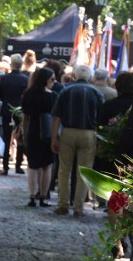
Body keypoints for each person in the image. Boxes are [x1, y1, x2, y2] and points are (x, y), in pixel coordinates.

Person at [50, 64, 104, 216]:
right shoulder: (97, 93)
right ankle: (79, 207)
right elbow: (101, 118)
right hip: (89, 134)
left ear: (74, 75)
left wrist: (54, 137)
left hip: (68, 132)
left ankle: (63, 204)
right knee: (84, 172)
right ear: (90, 77)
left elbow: (56, 117)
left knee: (64, 170)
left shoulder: (66, 90)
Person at [20, 68, 58, 207]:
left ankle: (31, 196)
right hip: (48, 132)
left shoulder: (28, 94)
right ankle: (43, 196)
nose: (54, 82)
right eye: (52, 79)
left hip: (33, 130)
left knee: (32, 165)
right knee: (47, 165)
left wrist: (24, 133)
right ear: (45, 80)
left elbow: (25, 116)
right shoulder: (53, 96)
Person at [0, 53, 28, 175]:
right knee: (20, 137)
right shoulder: (25, 79)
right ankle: (18, 166)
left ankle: (5, 166)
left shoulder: (4, 79)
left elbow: (1, 95)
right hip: (20, 111)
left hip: (6, 110)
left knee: (6, 138)